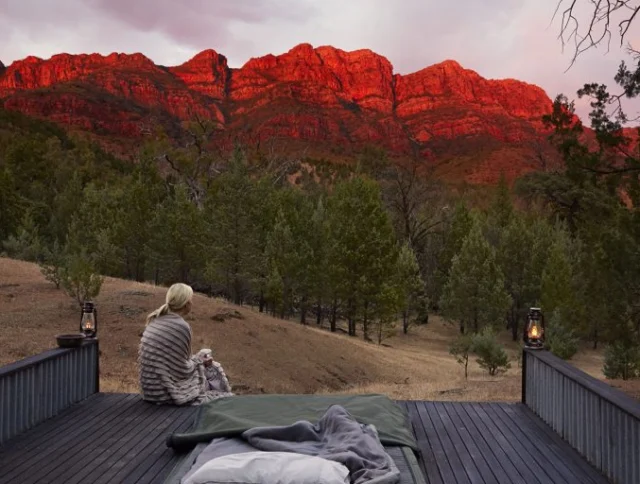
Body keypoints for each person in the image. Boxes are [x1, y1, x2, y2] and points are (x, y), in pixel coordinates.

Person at [138, 282, 233, 405]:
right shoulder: (180, 326)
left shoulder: (156, 321)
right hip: (164, 394)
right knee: (224, 392)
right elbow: (183, 369)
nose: (192, 303)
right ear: (186, 303)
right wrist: (200, 361)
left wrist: (197, 360)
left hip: (150, 391)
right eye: (191, 300)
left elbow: (175, 364)